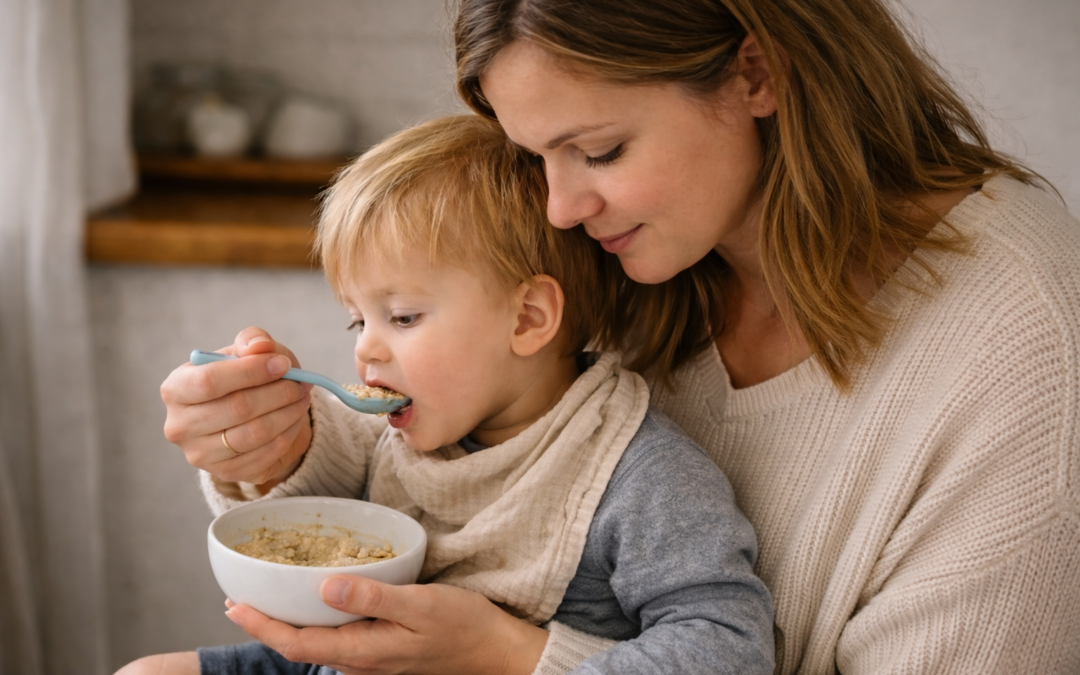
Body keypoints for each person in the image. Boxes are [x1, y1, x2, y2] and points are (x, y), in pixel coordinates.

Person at [150, 0, 1080, 673]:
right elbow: (444, 463)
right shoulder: (630, 249)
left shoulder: (1021, 344)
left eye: (599, 151)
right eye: (537, 156)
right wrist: (274, 449)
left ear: (757, 71)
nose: (560, 205)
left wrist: (519, 660)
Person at [123, 115, 774, 675]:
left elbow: (729, 648)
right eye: (358, 320)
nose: (366, 350)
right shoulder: (407, 428)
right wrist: (272, 444)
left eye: (402, 317)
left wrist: (528, 656)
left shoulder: (641, 479)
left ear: (526, 319)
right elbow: (317, 483)